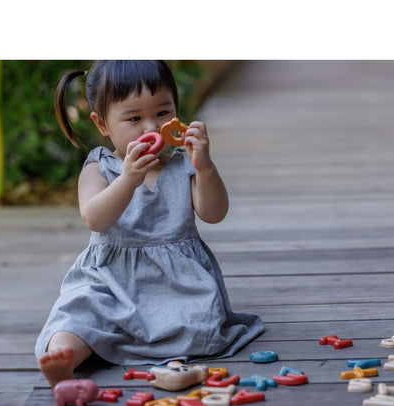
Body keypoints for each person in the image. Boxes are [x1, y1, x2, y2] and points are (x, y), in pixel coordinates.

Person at [35, 60, 264, 387]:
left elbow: (214, 212)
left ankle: (165, 338)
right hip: (110, 281)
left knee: (200, 320)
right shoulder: (99, 168)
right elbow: (95, 217)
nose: (151, 129)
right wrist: (128, 179)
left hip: (177, 283)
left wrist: (206, 167)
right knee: (81, 311)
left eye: (161, 113)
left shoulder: (183, 165)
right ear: (102, 124)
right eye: (133, 118)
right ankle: (64, 354)